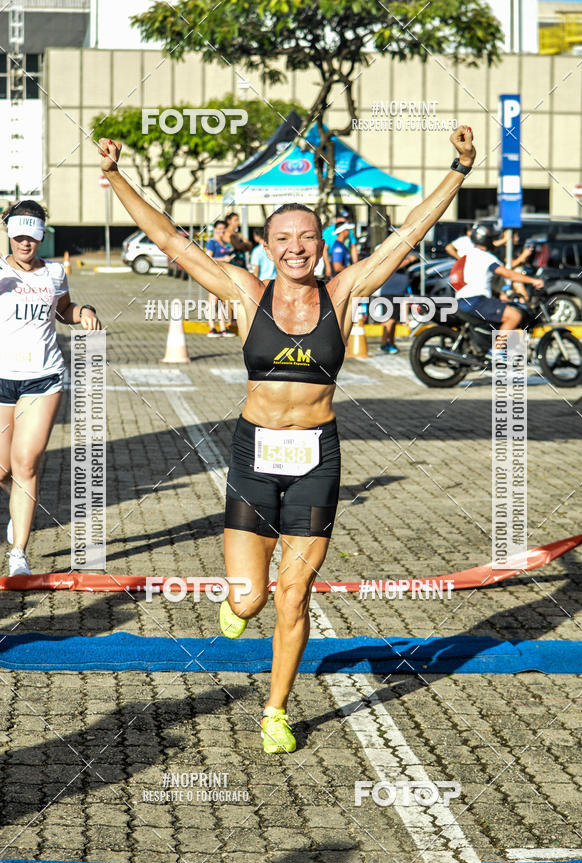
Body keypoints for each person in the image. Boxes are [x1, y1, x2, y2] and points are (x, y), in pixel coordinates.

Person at [98, 125, 476, 754]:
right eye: (284, 238)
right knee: (249, 599)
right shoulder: (248, 292)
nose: (297, 248)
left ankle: (276, 709)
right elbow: (169, 238)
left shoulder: (346, 291)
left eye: (307, 236)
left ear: (321, 242)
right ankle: (240, 606)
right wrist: (114, 175)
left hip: (316, 460)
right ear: (268, 247)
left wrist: (460, 169)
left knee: (294, 591)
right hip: (253, 456)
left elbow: (408, 233)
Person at [0, 199, 101, 576]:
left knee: (26, 463)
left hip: (44, 378)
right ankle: (18, 511)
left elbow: (63, 309)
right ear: (10, 234)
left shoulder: (54, 273)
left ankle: (18, 554)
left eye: (32, 237)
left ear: (42, 236)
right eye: (19, 237)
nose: (25, 244)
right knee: (3, 471)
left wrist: (84, 313)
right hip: (1, 379)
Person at [454, 223, 544, 354]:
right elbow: (507, 273)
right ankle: (496, 352)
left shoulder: (467, 254)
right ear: (486, 239)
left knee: (501, 311)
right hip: (476, 301)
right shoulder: (486, 257)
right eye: (492, 238)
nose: (494, 242)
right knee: (514, 315)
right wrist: (534, 280)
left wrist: (498, 294)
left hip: (462, 300)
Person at [374, 251, 418, 354]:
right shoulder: (393, 259)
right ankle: (384, 344)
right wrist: (410, 259)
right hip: (390, 293)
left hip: (398, 293)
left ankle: (391, 343)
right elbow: (396, 265)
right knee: (389, 320)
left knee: (394, 321)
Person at [205, 220, 234, 336]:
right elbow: (208, 258)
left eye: (223, 228)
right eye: (220, 228)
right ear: (215, 229)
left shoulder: (224, 243)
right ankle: (212, 328)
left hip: (224, 276)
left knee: (223, 302)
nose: (222, 230)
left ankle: (222, 328)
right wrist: (223, 260)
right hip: (214, 275)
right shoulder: (212, 243)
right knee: (213, 302)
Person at [322, 210, 359, 278]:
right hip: (332, 261)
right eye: (342, 218)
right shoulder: (328, 231)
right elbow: (324, 249)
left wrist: (356, 265)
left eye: (346, 219)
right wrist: (328, 267)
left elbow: (353, 247)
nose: (344, 220)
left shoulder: (348, 230)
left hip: (343, 260)